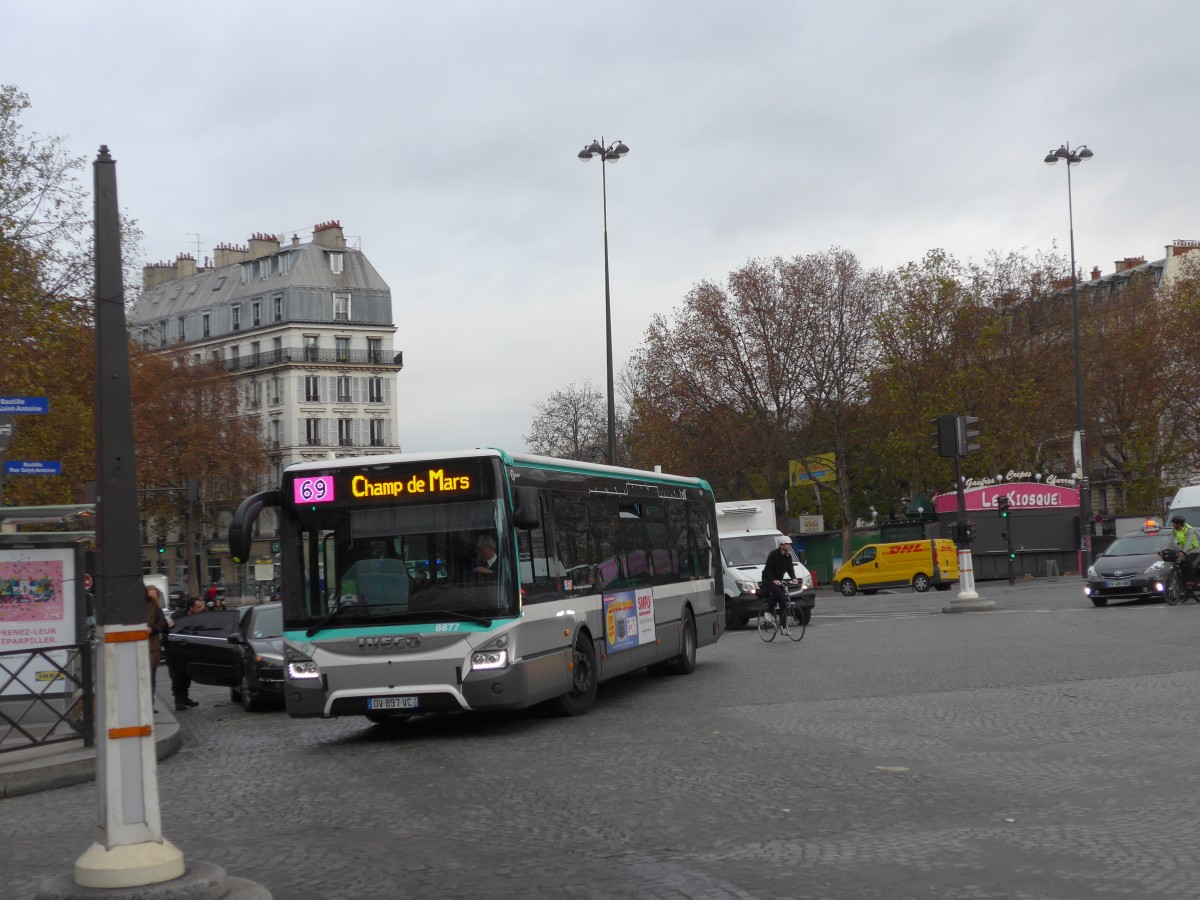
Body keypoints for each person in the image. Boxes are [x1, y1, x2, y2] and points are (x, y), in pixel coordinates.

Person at [167, 596, 206, 711]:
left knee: (187, 676)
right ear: (191, 608)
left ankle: (185, 698)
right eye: (198, 607)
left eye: (202, 606)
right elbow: (171, 631)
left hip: (189, 651)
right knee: (177, 677)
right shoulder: (178, 616)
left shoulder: (202, 616)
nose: (201, 609)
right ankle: (178, 700)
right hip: (175, 651)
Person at [763, 538, 798, 630]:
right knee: (778, 593)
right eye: (787, 544)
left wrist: (793, 578)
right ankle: (768, 612)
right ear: (781, 545)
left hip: (778, 580)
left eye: (790, 544)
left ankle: (783, 626)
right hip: (768, 579)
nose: (789, 546)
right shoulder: (773, 555)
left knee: (784, 602)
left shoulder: (788, 557)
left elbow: (790, 569)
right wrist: (773, 580)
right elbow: (768, 569)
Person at [144, 585, 169, 712]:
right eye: (151, 594)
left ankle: (149, 704)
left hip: (151, 646)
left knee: (150, 678)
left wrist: (152, 629)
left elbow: (161, 624)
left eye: (155, 595)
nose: (153, 597)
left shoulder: (155, 608)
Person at [1171, 514, 1200, 585]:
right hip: (1185, 550)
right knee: (1181, 564)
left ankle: (1194, 581)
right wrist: (1164, 548)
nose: (1173, 525)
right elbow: (1170, 540)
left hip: (1194, 549)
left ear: (1178, 524)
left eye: (1174, 523)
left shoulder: (1189, 529)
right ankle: (1185, 582)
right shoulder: (1175, 530)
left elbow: (1188, 542)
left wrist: (1183, 552)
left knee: (1187, 560)